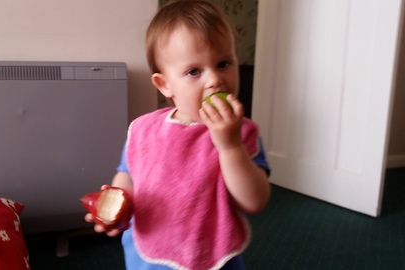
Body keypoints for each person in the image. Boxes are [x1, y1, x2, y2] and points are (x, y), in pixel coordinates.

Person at [85, 0, 270, 269]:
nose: (215, 80)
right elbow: (128, 172)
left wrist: (230, 147)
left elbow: (255, 201)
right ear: (165, 84)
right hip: (151, 255)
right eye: (194, 71)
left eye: (223, 63)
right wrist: (117, 203)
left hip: (212, 255)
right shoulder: (144, 130)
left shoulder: (239, 133)